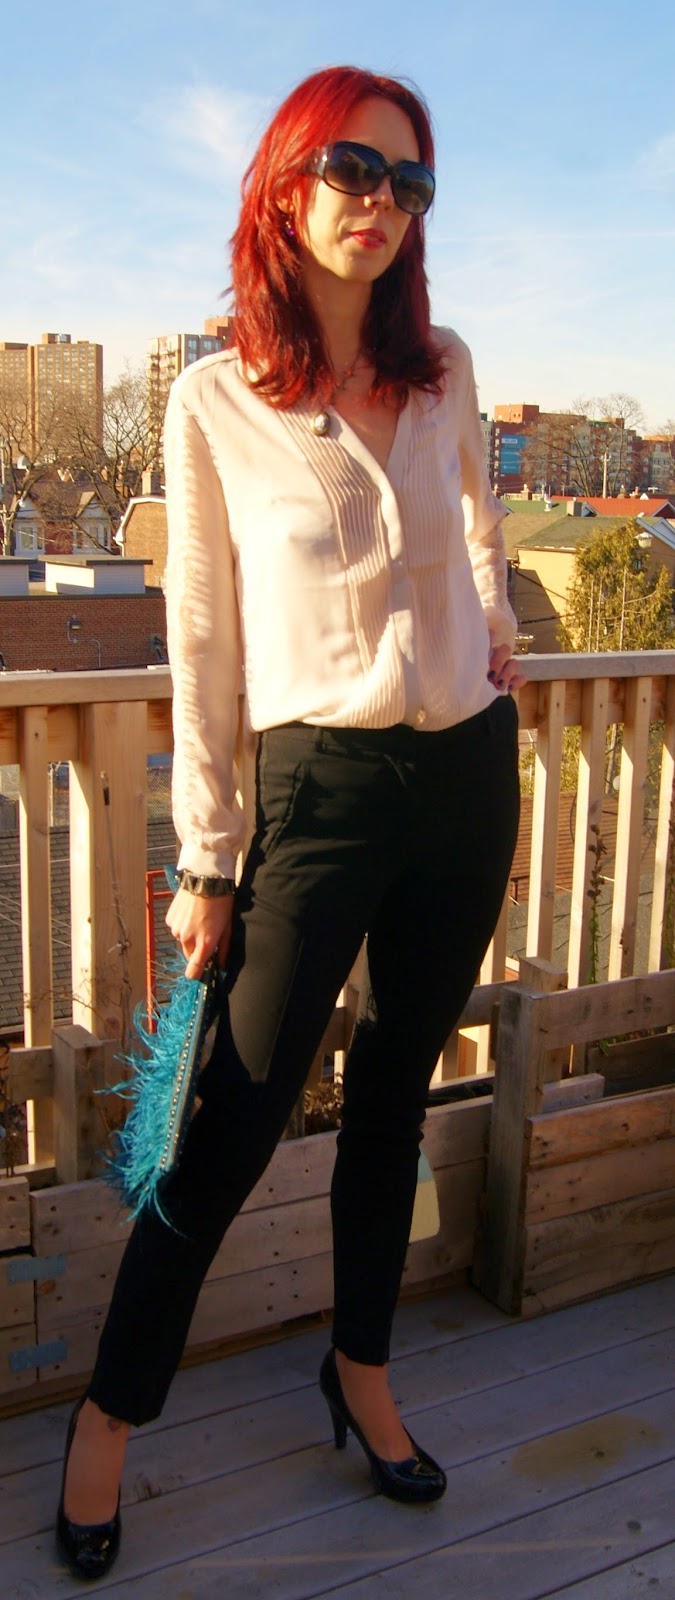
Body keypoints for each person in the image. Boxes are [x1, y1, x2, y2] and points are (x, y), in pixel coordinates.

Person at [56, 64, 525, 1581]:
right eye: (353, 169)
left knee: (394, 1099)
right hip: (315, 793)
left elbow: (476, 527)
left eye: (411, 181)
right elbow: (202, 643)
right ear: (284, 182)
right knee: (233, 1123)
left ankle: (363, 1374)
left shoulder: (446, 368)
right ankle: (107, 1421)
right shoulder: (215, 399)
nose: (382, 202)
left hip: (469, 774)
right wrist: (206, 858)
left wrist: (498, 629)